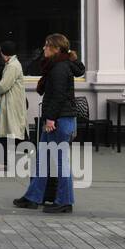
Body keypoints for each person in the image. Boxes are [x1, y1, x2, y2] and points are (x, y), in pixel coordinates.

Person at [13, 34, 85, 213]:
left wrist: (51, 119)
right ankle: (33, 197)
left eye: (47, 46)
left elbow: (58, 95)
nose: (44, 48)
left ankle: (65, 201)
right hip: (56, 118)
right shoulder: (55, 65)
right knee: (42, 159)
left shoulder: (60, 67)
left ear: (56, 49)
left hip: (59, 120)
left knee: (60, 161)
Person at [0, 40, 26, 172]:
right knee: (8, 132)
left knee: (6, 132)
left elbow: (4, 86)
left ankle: (3, 163)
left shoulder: (12, 66)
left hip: (11, 104)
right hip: (11, 103)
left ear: (4, 54)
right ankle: (4, 162)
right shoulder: (12, 64)